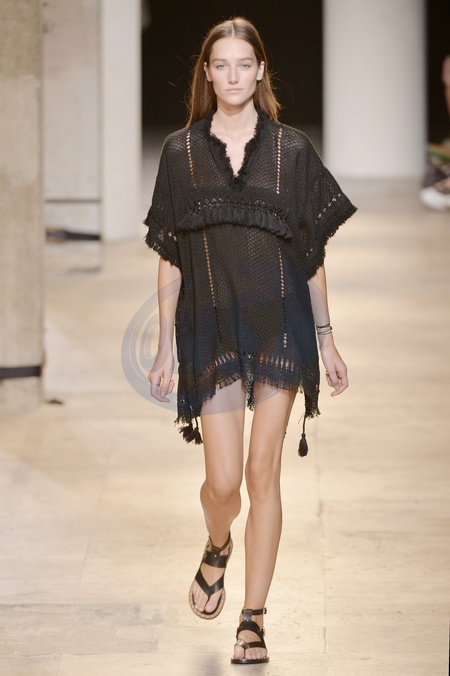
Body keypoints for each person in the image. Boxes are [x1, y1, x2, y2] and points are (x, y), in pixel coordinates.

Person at [144, 17, 356, 665]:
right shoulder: (180, 154)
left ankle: (253, 619)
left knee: (264, 472)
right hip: (211, 330)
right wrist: (163, 344)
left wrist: (327, 339)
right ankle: (218, 543)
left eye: (244, 64)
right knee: (223, 483)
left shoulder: (292, 152)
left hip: (281, 328)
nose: (233, 75)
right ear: (207, 74)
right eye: (221, 65)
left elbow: (311, 254)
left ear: (260, 71)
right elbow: (171, 255)